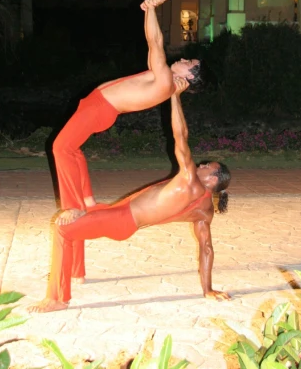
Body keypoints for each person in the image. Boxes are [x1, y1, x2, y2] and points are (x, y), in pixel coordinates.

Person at [30, 79, 231, 312]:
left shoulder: (189, 181)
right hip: (120, 217)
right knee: (80, 197)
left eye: (207, 165)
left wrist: (175, 96)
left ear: (213, 179)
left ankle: (57, 299)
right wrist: (208, 289)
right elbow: (206, 248)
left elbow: (180, 136)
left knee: (63, 229)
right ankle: (77, 271)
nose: (202, 164)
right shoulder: (204, 211)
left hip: (120, 218)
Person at [52, 0, 202, 279]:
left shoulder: (165, 81)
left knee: (62, 148)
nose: (182, 58)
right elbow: (153, 47)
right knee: (71, 152)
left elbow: (156, 43)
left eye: (187, 62)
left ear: (189, 77)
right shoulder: (163, 78)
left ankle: (75, 209)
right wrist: (149, 11)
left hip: (99, 109)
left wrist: (152, 9)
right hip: (97, 108)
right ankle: (86, 206)